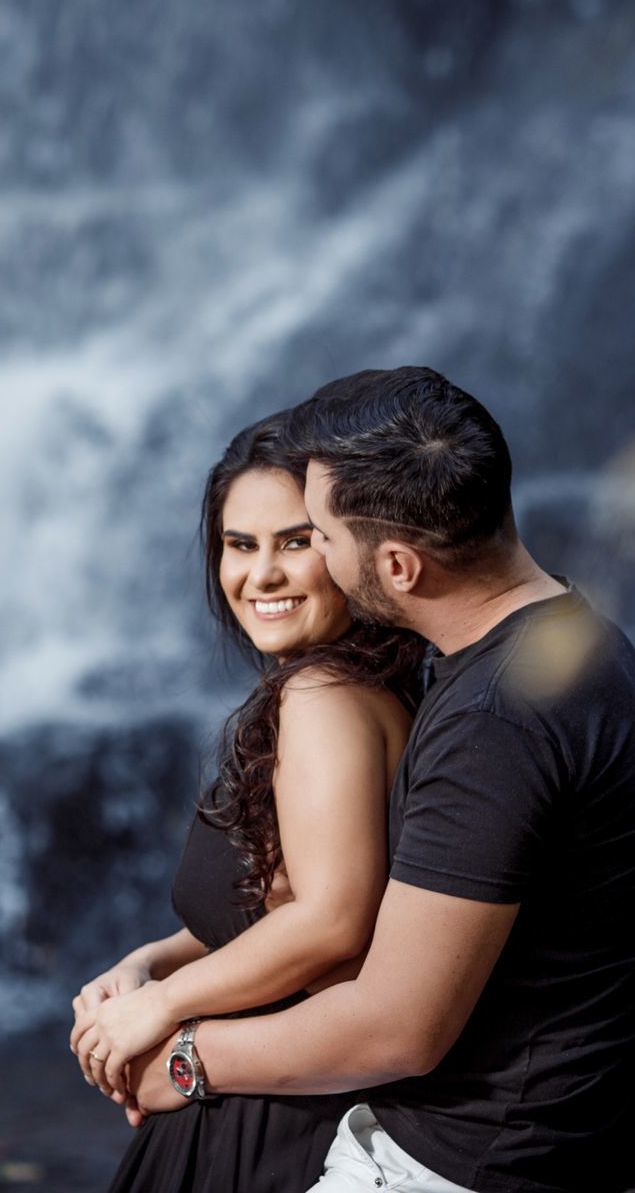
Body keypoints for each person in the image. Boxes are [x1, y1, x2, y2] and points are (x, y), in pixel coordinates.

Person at [120, 367, 635, 1193]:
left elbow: (398, 1027)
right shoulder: (562, 641)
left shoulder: (496, 722)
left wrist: (182, 1063)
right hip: (548, 1142)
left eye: (316, 535)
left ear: (395, 567)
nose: (302, 559)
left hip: (468, 1165)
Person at [69, 411, 424, 1193]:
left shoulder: (325, 696)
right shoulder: (355, 683)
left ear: (350, 548)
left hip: (273, 1129)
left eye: (296, 542)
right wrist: (150, 963)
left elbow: (334, 920)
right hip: (268, 1107)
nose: (261, 575)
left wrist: (163, 1010)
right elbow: (282, 896)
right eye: (240, 544)